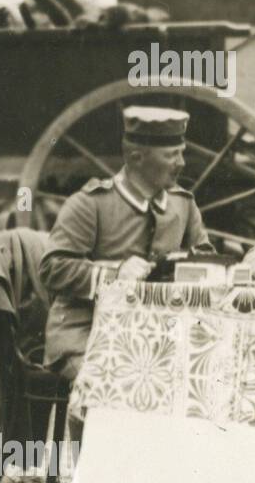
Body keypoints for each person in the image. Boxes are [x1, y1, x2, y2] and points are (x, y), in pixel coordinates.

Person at [40, 106, 212, 383]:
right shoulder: (90, 204)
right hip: (84, 336)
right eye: (171, 155)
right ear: (136, 157)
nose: (181, 163)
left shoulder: (183, 204)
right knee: (114, 388)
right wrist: (115, 274)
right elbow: (52, 267)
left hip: (155, 338)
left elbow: (205, 259)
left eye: (181, 152)